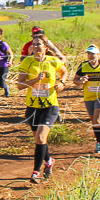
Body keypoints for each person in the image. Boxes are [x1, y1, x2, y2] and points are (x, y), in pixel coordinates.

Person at [15, 34, 67, 183]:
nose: (36, 46)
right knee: (39, 140)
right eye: (34, 44)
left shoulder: (52, 61)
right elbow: (20, 85)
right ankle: (49, 160)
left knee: (40, 137)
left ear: (45, 47)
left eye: (39, 44)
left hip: (50, 105)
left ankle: (36, 172)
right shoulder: (28, 62)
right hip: (32, 106)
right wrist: (36, 80)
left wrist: (62, 82)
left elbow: (64, 71)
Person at [73, 45, 100, 157]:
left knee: (98, 120)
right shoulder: (83, 65)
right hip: (89, 96)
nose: (91, 56)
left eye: (93, 54)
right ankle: (98, 142)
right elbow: (75, 80)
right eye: (89, 54)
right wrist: (81, 81)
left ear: (98, 55)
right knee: (94, 122)